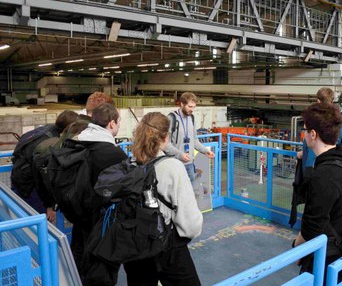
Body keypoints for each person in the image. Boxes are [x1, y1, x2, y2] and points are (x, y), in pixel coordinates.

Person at [123, 112, 203, 286]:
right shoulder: (172, 167)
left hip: (134, 246)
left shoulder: (130, 163)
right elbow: (190, 222)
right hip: (166, 246)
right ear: (166, 137)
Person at [292, 103, 342, 278]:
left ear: (313, 134)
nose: (304, 134)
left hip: (328, 256)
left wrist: (295, 248)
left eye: (305, 130)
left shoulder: (324, 175)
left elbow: (311, 228)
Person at [70, 103, 127, 278]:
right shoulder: (114, 154)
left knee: (79, 257)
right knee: (102, 270)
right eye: (118, 122)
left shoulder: (76, 142)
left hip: (78, 215)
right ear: (111, 123)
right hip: (103, 223)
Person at [12, 110, 78, 222]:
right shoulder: (51, 145)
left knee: (23, 218)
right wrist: (49, 205)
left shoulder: (45, 130)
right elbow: (42, 179)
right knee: (43, 225)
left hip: (17, 176)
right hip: (30, 188)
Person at [164, 92, 214, 182]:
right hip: (175, 163)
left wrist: (205, 151)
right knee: (177, 193)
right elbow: (165, 144)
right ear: (182, 104)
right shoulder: (171, 118)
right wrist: (180, 154)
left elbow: (194, 140)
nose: (192, 110)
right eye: (190, 107)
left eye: (194, 107)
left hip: (189, 164)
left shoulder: (192, 118)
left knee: (190, 191)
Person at [296, 87, 342, 171]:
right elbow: (338, 144)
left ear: (318, 101)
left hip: (313, 165)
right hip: (329, 165)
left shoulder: (314, 119)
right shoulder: (340, 120)